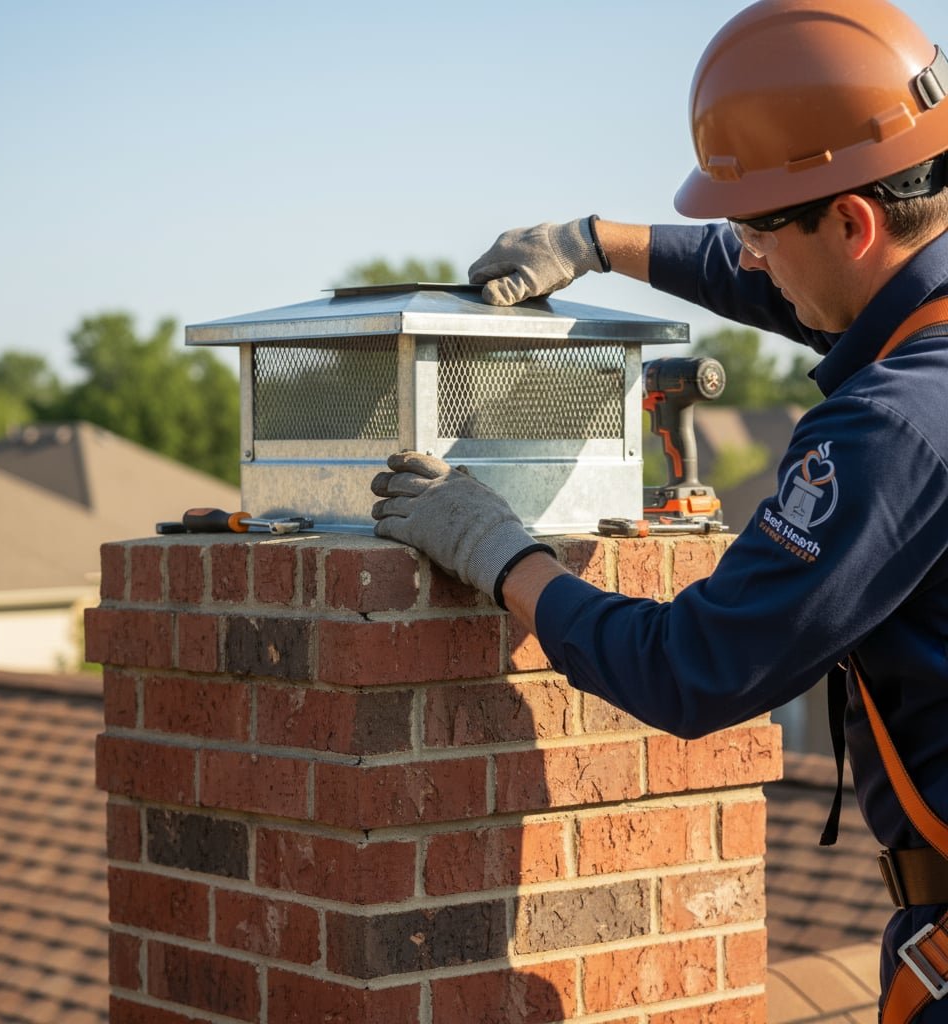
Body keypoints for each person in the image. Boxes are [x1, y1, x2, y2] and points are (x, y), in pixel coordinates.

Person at [370, 0, 948, 1020]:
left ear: (855, 222)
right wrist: (597, 243)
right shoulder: (913, 299)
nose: (747, 255)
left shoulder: (890, 431)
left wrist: (503, 556)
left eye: (756, 228)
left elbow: (694, 667)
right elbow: (803, 283)